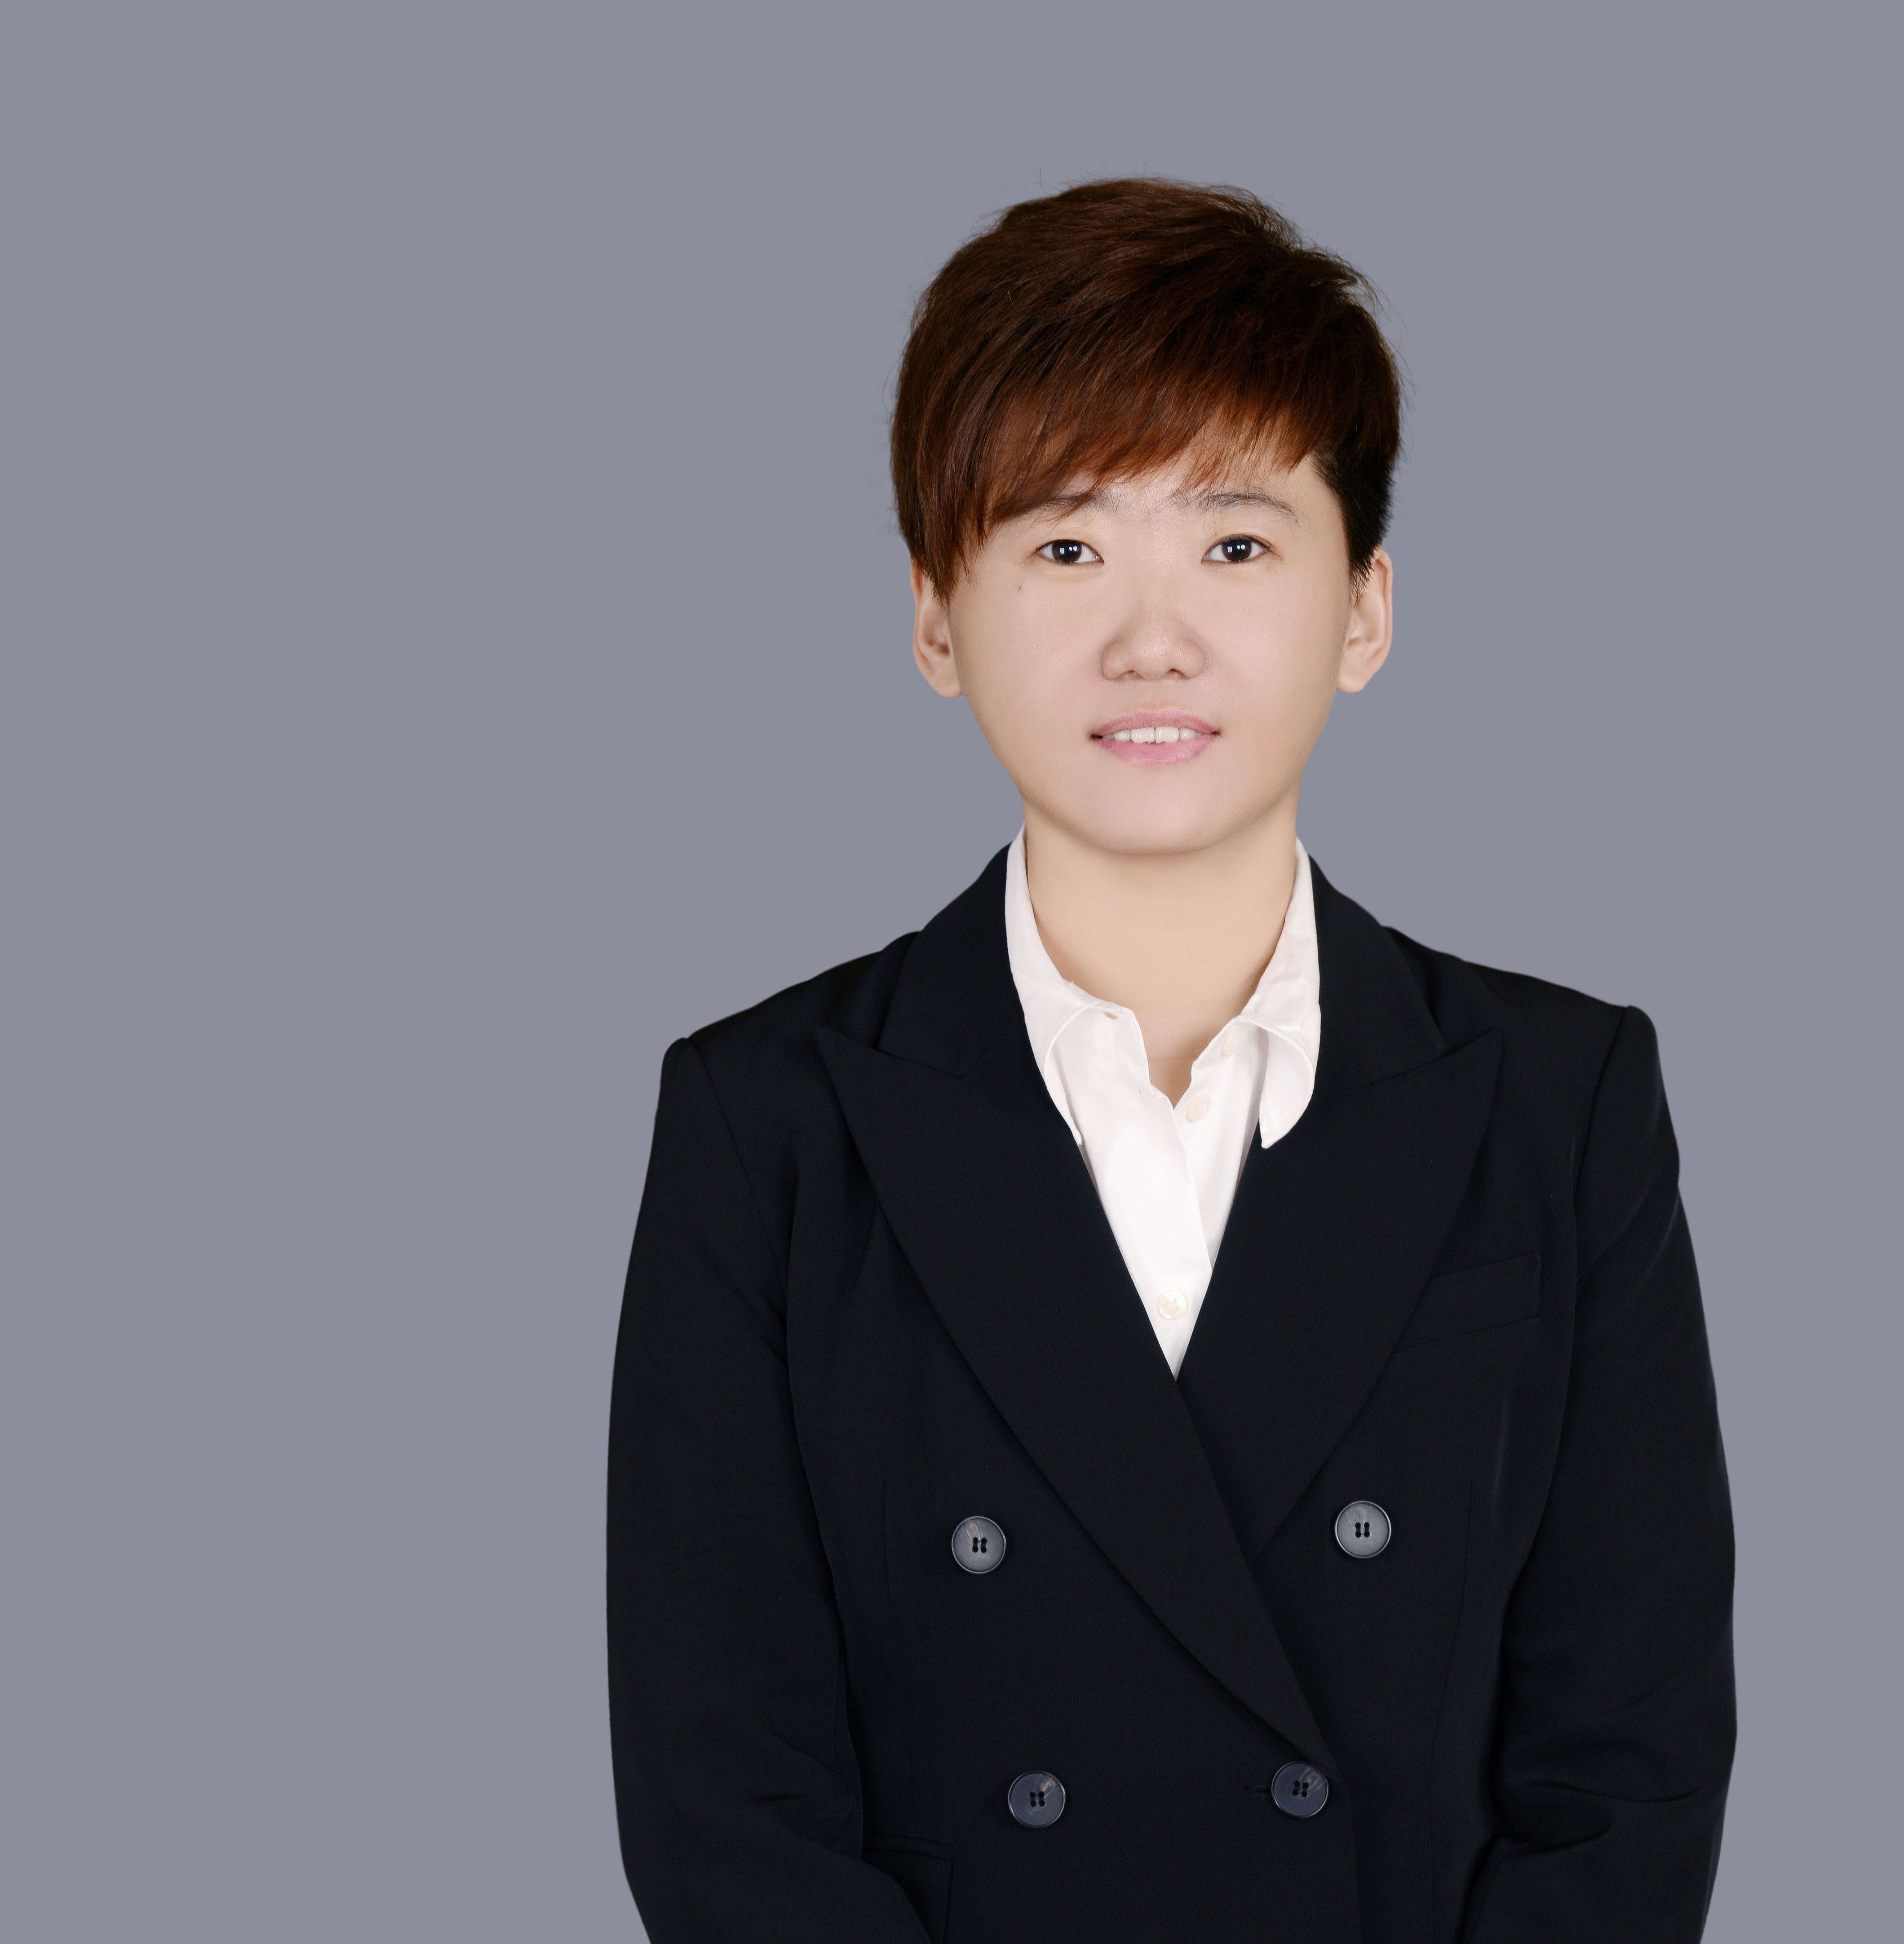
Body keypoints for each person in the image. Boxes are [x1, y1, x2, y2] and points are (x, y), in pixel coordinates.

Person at [606, 180, 1735, 1943]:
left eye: (1234, 543)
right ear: (935, 614)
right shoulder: (767, 1123)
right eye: (1065, 547)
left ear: (1362, 609)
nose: (1151, 638)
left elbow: (1626, 1775)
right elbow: (721, 1796)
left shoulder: (1559, 1100)